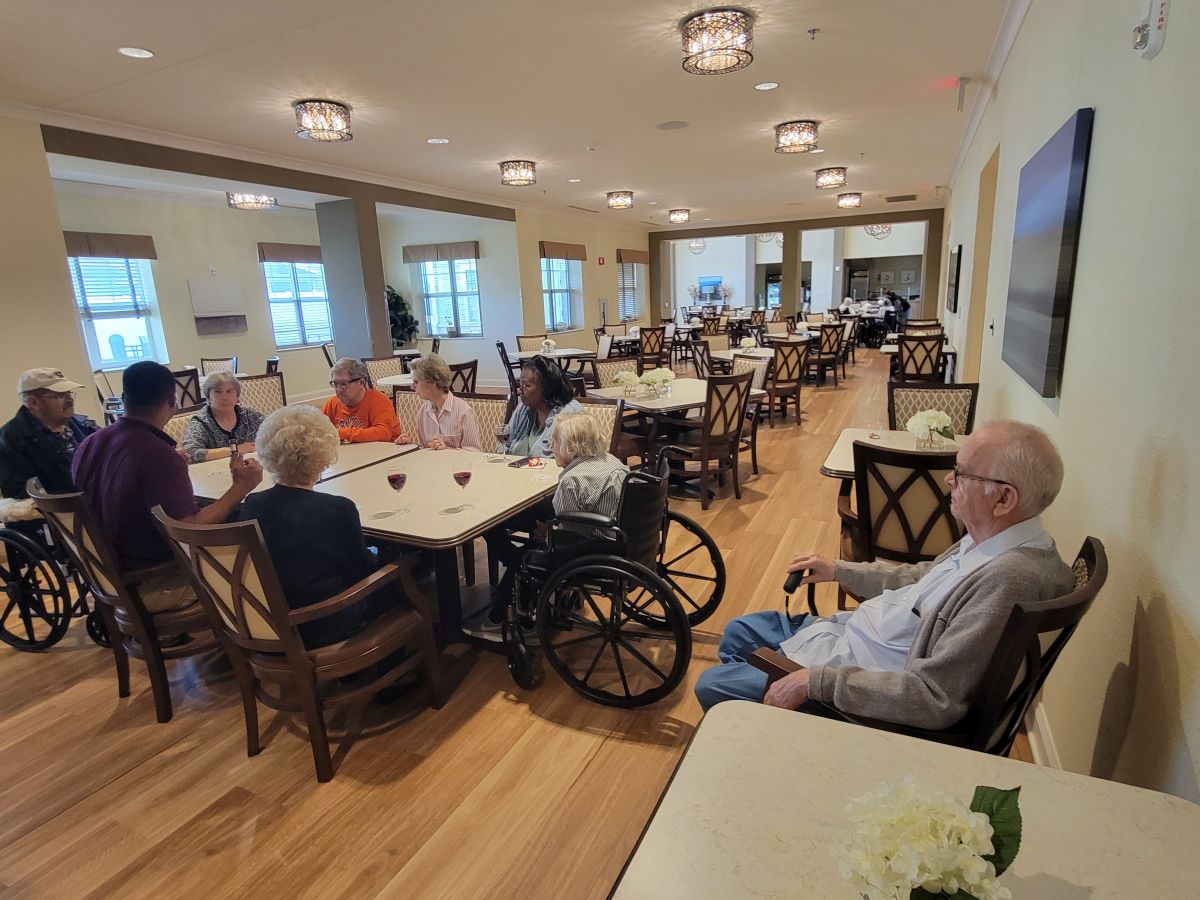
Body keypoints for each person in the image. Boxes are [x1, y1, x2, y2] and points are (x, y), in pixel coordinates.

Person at [694, 421, 1075, 731]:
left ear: (1003, 499)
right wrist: (839, 570)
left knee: (713, 685)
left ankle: (777, 730)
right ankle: (769, 721)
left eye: (960, 473)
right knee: (738, 632)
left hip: (862, 675)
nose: (948, 480)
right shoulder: (994, 540)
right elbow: (921, 577)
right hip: (859, 634)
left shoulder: (1008, 581)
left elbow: (933, 697)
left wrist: (813, 681)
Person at [72, 361, 262, 610]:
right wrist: (240, 487)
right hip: (156, 579)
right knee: (261, 565)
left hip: (107, 576)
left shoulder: (90, 443)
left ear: (124, 399)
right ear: (173, 401)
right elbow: (189, 530)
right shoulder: (157, 455)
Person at [240, 405, 382, 648]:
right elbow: (360, 573)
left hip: (270, 624)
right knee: (402, 579)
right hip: (325, 622)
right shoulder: (337, 509)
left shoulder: (253, 503)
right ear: (323, 456)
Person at [482, 411, 628, 629]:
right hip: (618, 537)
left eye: (555, 441)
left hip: (594, 550)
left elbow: (571, 537)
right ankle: (516, 575)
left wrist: (548, 535)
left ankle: (501, 615)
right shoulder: (611, 461)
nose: (550, 446)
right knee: (532, 517)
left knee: (527, 553)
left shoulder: (572, 481)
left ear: (572, 447)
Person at [0, 367, 97, 499]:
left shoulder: (82, 425)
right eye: (60, 395)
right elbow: (20, 495)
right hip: (63, 509)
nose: (70, 399)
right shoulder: (11, 440)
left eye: (69, 393)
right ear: (33, 402)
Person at [495, 356, 582, 458]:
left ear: (546, 388)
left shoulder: (570, 415)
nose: (520, 390)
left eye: (526, 386)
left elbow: (571, 460)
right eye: (520, 385)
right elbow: (504, 444)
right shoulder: (523, 408)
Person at [395, 355, 482, 450]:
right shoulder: (423, 411)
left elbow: (474, 452)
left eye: (416, 382)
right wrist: (409, 445)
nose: (412, 387)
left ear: (432, 382)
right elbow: (425, 449)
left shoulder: (464, 412)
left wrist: (447, 450)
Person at [180, 371, 265, 463]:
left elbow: (273, 430)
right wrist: (235, 450)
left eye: (229, 391)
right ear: (208, 397)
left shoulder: (248, 414)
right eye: (218, 392)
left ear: (237, 397)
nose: (224, 397)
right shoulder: (201, 421)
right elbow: (190, 453)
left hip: (250, 466)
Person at [321, 357, 401, 443]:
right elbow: (318, 430)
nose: (339, 389)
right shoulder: (332, 404)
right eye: (335, 384)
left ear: (361, 382)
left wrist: (342, 433)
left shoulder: (379, 400)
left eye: (343, 384)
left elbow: (383, 433)